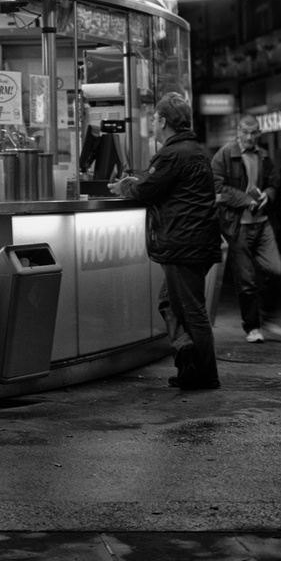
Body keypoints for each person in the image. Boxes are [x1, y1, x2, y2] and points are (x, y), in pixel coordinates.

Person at [109, 92, 221, 390]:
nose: (152, 124)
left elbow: (146, 190)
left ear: (164, 122)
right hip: (195, 242)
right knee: (169, 302)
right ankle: (187, 358)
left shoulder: (173, 154)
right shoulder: (192, 150)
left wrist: (125, 186)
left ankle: (206, 374)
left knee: (192, 310)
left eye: (155, 119)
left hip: (183, 244)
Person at [212, 114, 281, 343]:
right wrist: (245, 200)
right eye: (245, 132)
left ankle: (268, 318)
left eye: (253, 133)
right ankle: (252, 328)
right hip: (238, 226)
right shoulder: (225, 154)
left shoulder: (263, 156)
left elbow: (274, 183)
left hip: (262, 223)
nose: (249, 137)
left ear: (259, 133)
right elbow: (216, 186)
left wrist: (268, 195)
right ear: (238, 131)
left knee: (275, 270)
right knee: (246, 281)